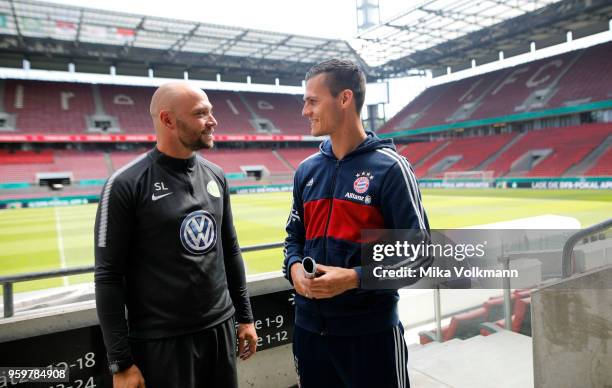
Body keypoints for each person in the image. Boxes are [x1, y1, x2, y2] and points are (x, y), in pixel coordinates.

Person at [94, 82, 257, 388]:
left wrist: (245, 317)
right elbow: (108, 277)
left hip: (220, 330)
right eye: (201, 113)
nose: (213, 120)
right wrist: (121, 363)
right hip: (161, 344)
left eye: (211, 111)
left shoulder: (216, 176)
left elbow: (230, 249)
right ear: (168, 120)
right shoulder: (125, 184)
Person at [283, 59, 431, 388]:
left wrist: (352, 278)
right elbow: (293, 239)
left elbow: (419, 256)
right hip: (309, 333)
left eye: (312, 101)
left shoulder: (391, 168)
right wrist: (294, 268)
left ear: (345, 98)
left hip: (370, 335)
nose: (305, 111)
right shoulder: (306, 171)